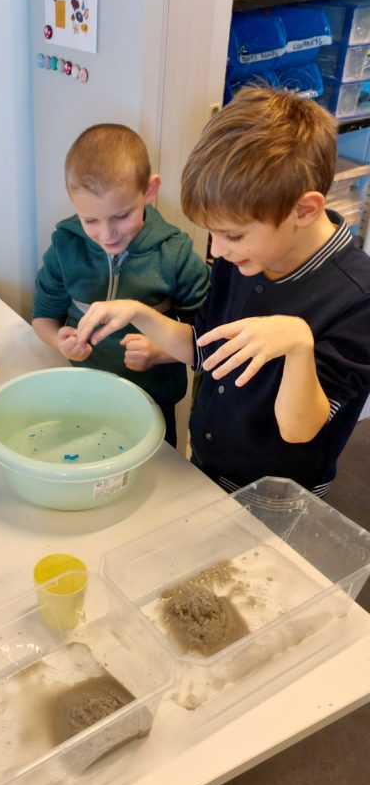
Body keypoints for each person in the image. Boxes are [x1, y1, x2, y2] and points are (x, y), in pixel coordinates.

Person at [75, 86, 370, 495]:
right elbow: (203, 348)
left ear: (304, 210)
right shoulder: (243, 257)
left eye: (232, 234)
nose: (217, 250)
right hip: (207, 465)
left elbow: (301, 428)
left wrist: (298, 345)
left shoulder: (357, 298)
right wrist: (138, 313)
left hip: (278, 495)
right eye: (212, 233)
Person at [31, 123, 210, 446]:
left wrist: (160, 352)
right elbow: (43, 318)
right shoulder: (65, 246)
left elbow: (208, 338)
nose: (107, 234)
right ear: (71, 198)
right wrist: (60, 342)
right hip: (80, 395)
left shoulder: (175, 254)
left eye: (122, 216)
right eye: (90, 220)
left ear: (149, 191)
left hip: (151, 403)